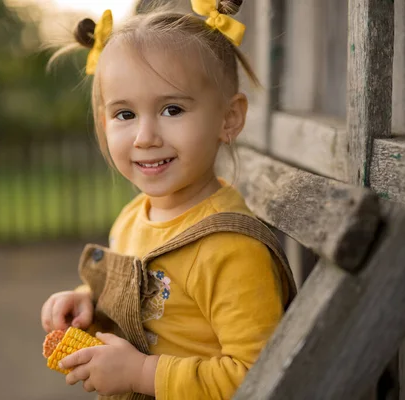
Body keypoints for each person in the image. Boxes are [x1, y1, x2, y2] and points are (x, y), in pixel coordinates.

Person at [40, 1, 297, 398]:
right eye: (125, 114)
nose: (145, 136)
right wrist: (86, 300)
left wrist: (142, 373)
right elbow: (146, 303)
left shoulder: (228, 249)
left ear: (228, 119)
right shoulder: (133, 218)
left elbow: (258, 377)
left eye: (172, 109)